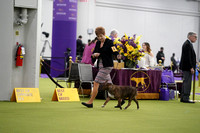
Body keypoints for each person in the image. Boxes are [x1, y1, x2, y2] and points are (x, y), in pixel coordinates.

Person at [81, 27, 121, 108]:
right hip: (100, 65)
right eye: (98, 36)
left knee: (96, 83)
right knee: (110, 86)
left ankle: (90, 102)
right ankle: (121, 100)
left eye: (101, 36)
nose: (100, 38)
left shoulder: (109, 42)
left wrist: (118, 55)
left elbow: (114, 50)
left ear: (105, 34)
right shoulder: (98, 43)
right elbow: (95, 52)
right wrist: (94, 55)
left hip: (107, 66)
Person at [179, 32, 197, 103]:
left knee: (186, 82)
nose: (196, 39)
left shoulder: (188, 44)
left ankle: (183, 97)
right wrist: (191, 67)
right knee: (187, 83)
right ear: (190, 36)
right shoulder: (187, 44)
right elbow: (187, 57)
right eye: (195, 37)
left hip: (187, 67)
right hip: (187, 67)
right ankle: (185, 98)